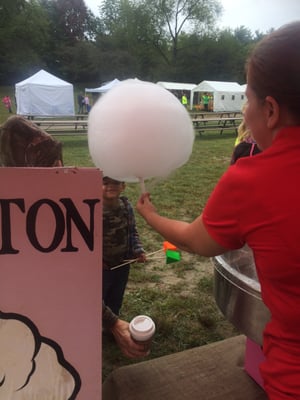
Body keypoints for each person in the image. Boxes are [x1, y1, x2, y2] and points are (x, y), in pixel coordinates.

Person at [137, 21, 300, 399]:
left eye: (248, 98)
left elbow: (195, 241)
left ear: (271, 110)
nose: (244, 111)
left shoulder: (253, 181)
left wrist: (151, 216)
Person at [102, 176, 146, 316]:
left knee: (116, 297)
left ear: (123, 186)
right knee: (98, 299)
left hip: (122, 264)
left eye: (116, 182)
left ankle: (112, 328)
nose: (111, 186)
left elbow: (132, 231)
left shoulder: (126, 206)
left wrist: (138, 250)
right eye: (105, 182)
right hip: (101, 268)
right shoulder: (93, 209)